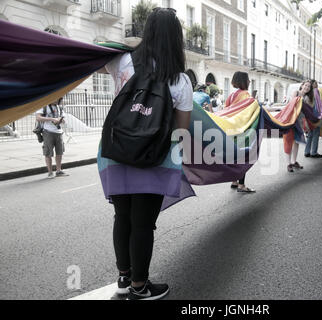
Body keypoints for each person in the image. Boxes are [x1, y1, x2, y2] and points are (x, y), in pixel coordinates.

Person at [98, 7, 193, 300]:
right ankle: (141, 287)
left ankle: (125, 279)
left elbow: (95, 56)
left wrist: (126, 47)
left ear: (147, 33)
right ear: (176, 39)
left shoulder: (123, 62)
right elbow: (181, 133)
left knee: (121, 217)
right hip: (155, 158)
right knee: (143, 223)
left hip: (115, 150)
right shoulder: (180, 80)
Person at [225, 71, 256, 193]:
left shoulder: (231, 95)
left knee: (235, 156)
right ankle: (241, 185)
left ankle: (234, 181)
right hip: (242, 129)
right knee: (244, 156)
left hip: (231, 130)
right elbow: (247, 112)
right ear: (244, 81)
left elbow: (226, 111)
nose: (249, 81)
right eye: (247, 79)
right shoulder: (245, 95)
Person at [35, 98, 69, 179]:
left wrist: (61, 120)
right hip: (48, 132)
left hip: (59, 132)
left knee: (59, 152)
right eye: (56, 97)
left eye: (58, 98)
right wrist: (52, 119)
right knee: (48, 153)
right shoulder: (44, 106)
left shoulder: (59, 107)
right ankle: (50, 172)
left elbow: (62, 118)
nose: (57, 100)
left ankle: (58, 171)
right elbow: (38, 118)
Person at [304, 80, 322, 158]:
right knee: (315, 134)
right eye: (315, 84)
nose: (316, 86)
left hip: (308, 118)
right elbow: (316, 107)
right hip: (314, 117)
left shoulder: (305, 95)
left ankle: (307, 151)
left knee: (310, 135)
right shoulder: (315, 93)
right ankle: (313, 152)